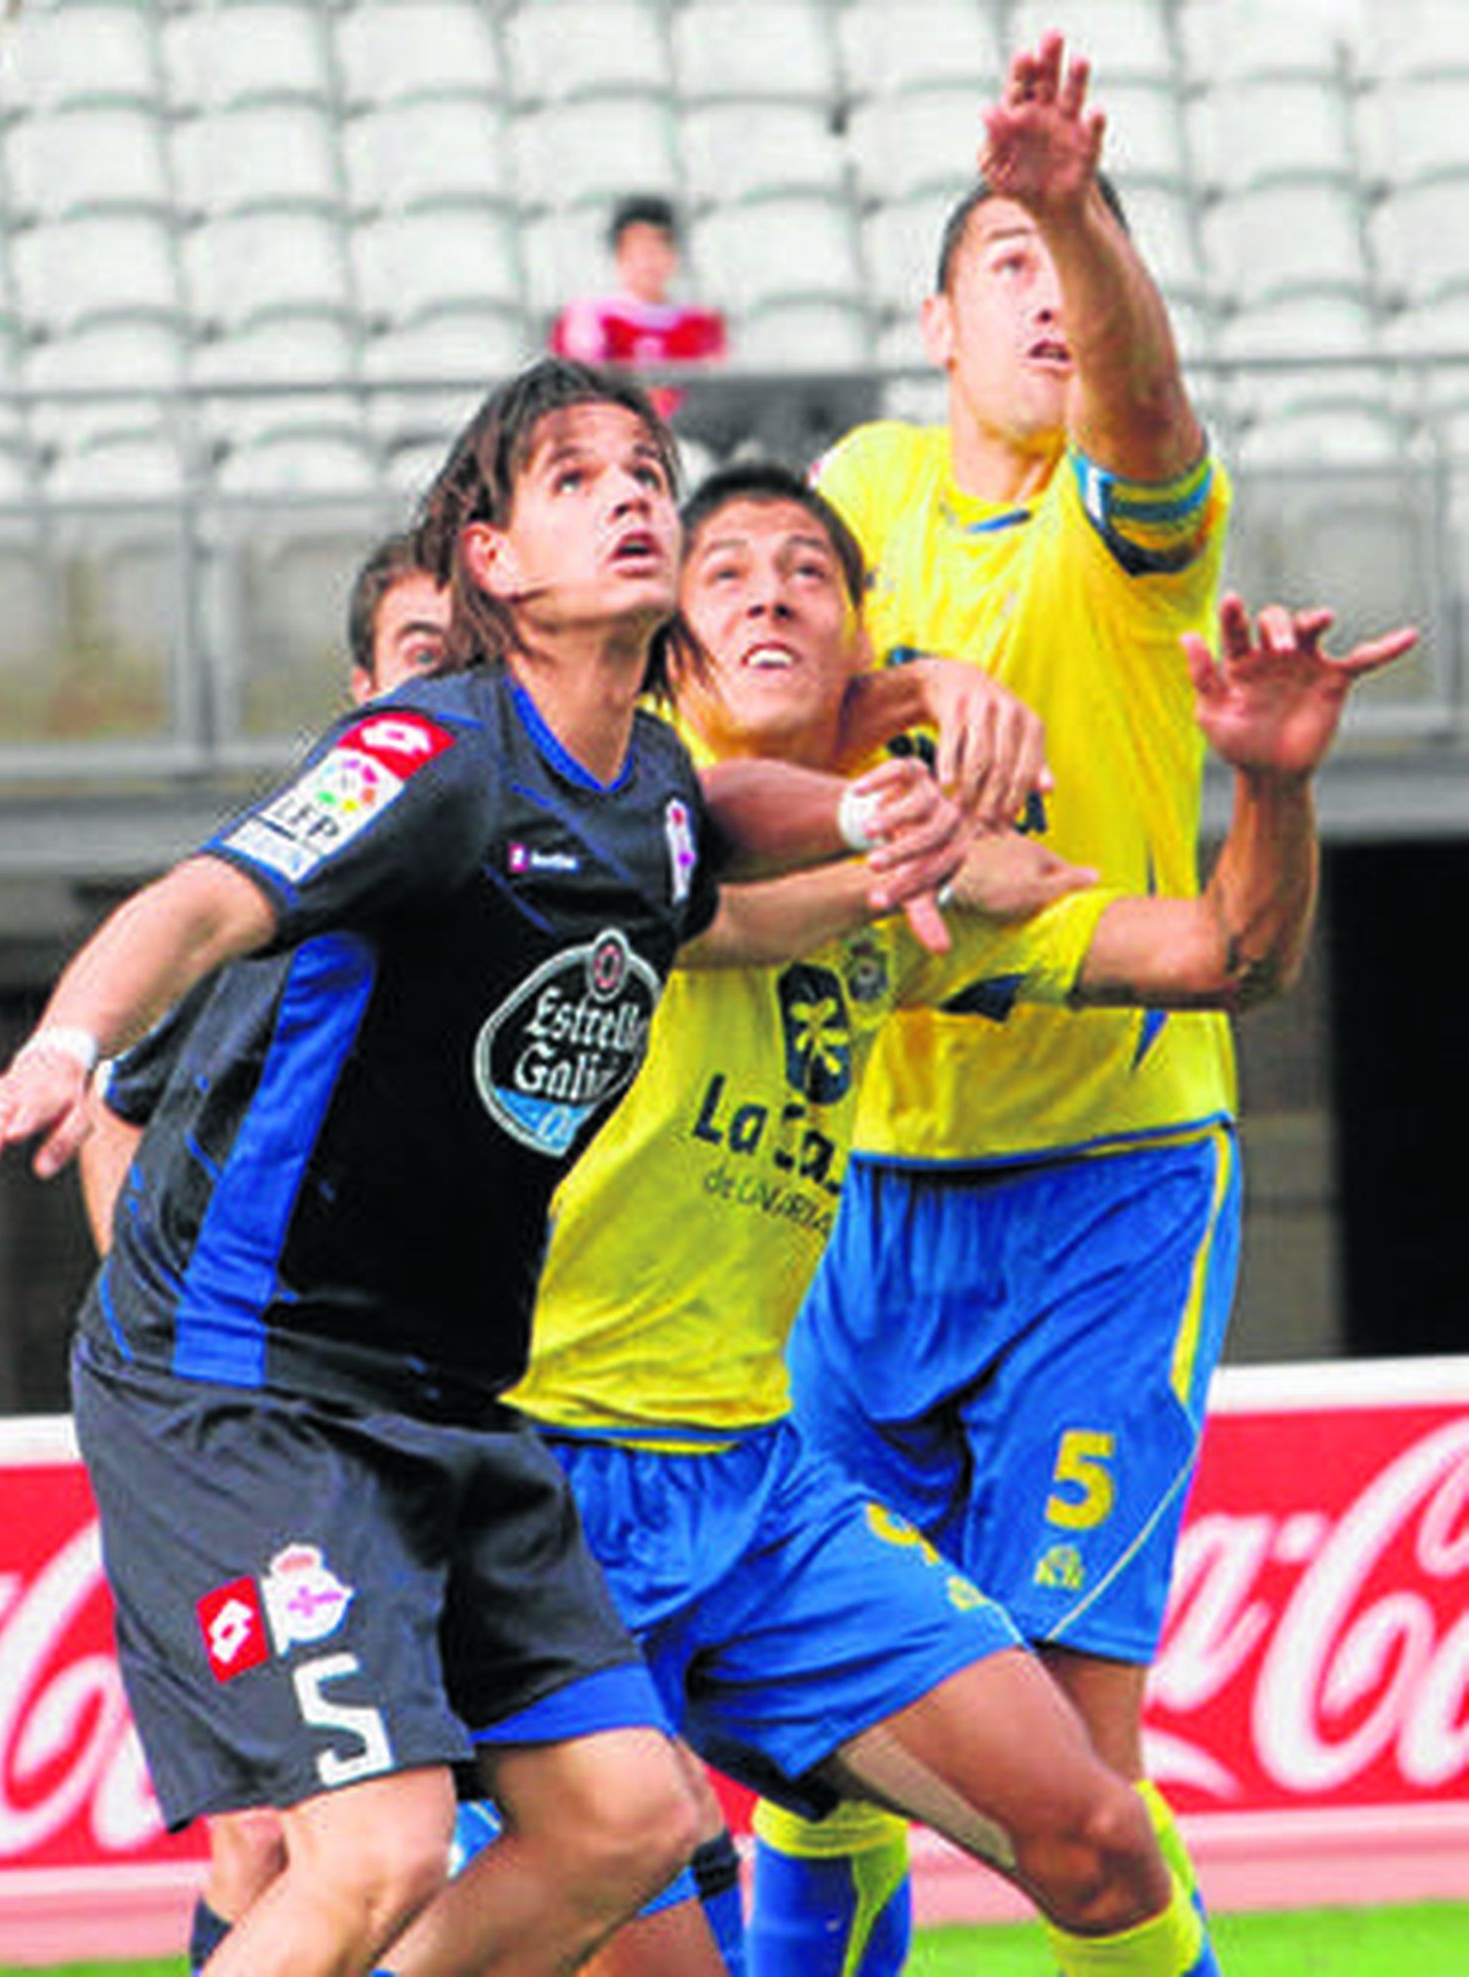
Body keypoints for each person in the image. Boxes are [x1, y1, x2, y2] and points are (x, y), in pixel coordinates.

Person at [0, 360, 965, 1977]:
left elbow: (715, 884)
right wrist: (66, 1041)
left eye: (645, 467)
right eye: (574, 478)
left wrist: (874, 843)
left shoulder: (646, 806)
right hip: (251, 1383)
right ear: (490, 561)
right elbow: (198, 903)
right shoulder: (426, 758)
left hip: (453, 1401)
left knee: (626, 1822)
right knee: (377, 1843)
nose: (633, 493)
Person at [506, 463, 1413, 1977]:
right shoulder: (605, 799)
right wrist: (905, 770)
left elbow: (1219, 957)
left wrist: (1268, 782)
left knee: (1101, 1839)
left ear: (858, 640)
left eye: (810, 571)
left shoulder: (910, 900)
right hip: (539, 1485)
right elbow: (700, 836)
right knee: (517, 1904)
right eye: (723, 572)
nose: (770, 592)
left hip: (751, 1481)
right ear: (669, 642)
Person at [757, 31, 1248, 1964]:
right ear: (938, 322)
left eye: (1082, 264)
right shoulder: (863, 493)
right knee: (806, 1744)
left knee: (1066, 1764)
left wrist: (1061, 196)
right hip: (858, 1193)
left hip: (1106, 1175)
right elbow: (758, 688)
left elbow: (1145, 419)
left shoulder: (1130, 528)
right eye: (1014, 268)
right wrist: (903, 695)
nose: (1053, 298)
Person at [76, 527, 453, 1973]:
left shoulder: (517, 872)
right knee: (288, 1834)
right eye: (421, 660)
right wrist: (178, 1344)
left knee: (583, 1819)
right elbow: (118, 1098)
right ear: (363, 687)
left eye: (472, 662)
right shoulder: (305, 876)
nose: (449, 693)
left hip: (425, 1404)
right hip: (236, 1413)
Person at [551, 193, 728, 423]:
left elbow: (713, 395)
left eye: (659, 247)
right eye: (637, 249)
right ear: (619, 256)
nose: (648, 261)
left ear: (674, 257)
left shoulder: (702, 325)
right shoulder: (591, 319)